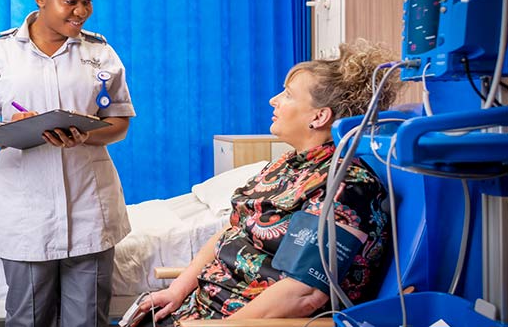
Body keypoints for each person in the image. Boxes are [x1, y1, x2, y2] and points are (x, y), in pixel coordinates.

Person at [135, 41, 402, 325]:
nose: (273, 100)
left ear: (319, 116)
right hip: (200, 308)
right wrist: (177, 291)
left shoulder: (344, 185)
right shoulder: (287, 164)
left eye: (287, 95)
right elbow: (234, 229)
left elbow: (304, 294)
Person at [0, 0, 136, 327]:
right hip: (25, 213)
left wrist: (85, 137)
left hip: (90, 211)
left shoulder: (100, 53)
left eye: (87, 1)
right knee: (28, 319)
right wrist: (13, 129)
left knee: (87, 320)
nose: (82, 11)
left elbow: (119, 123)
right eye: (71, 1)